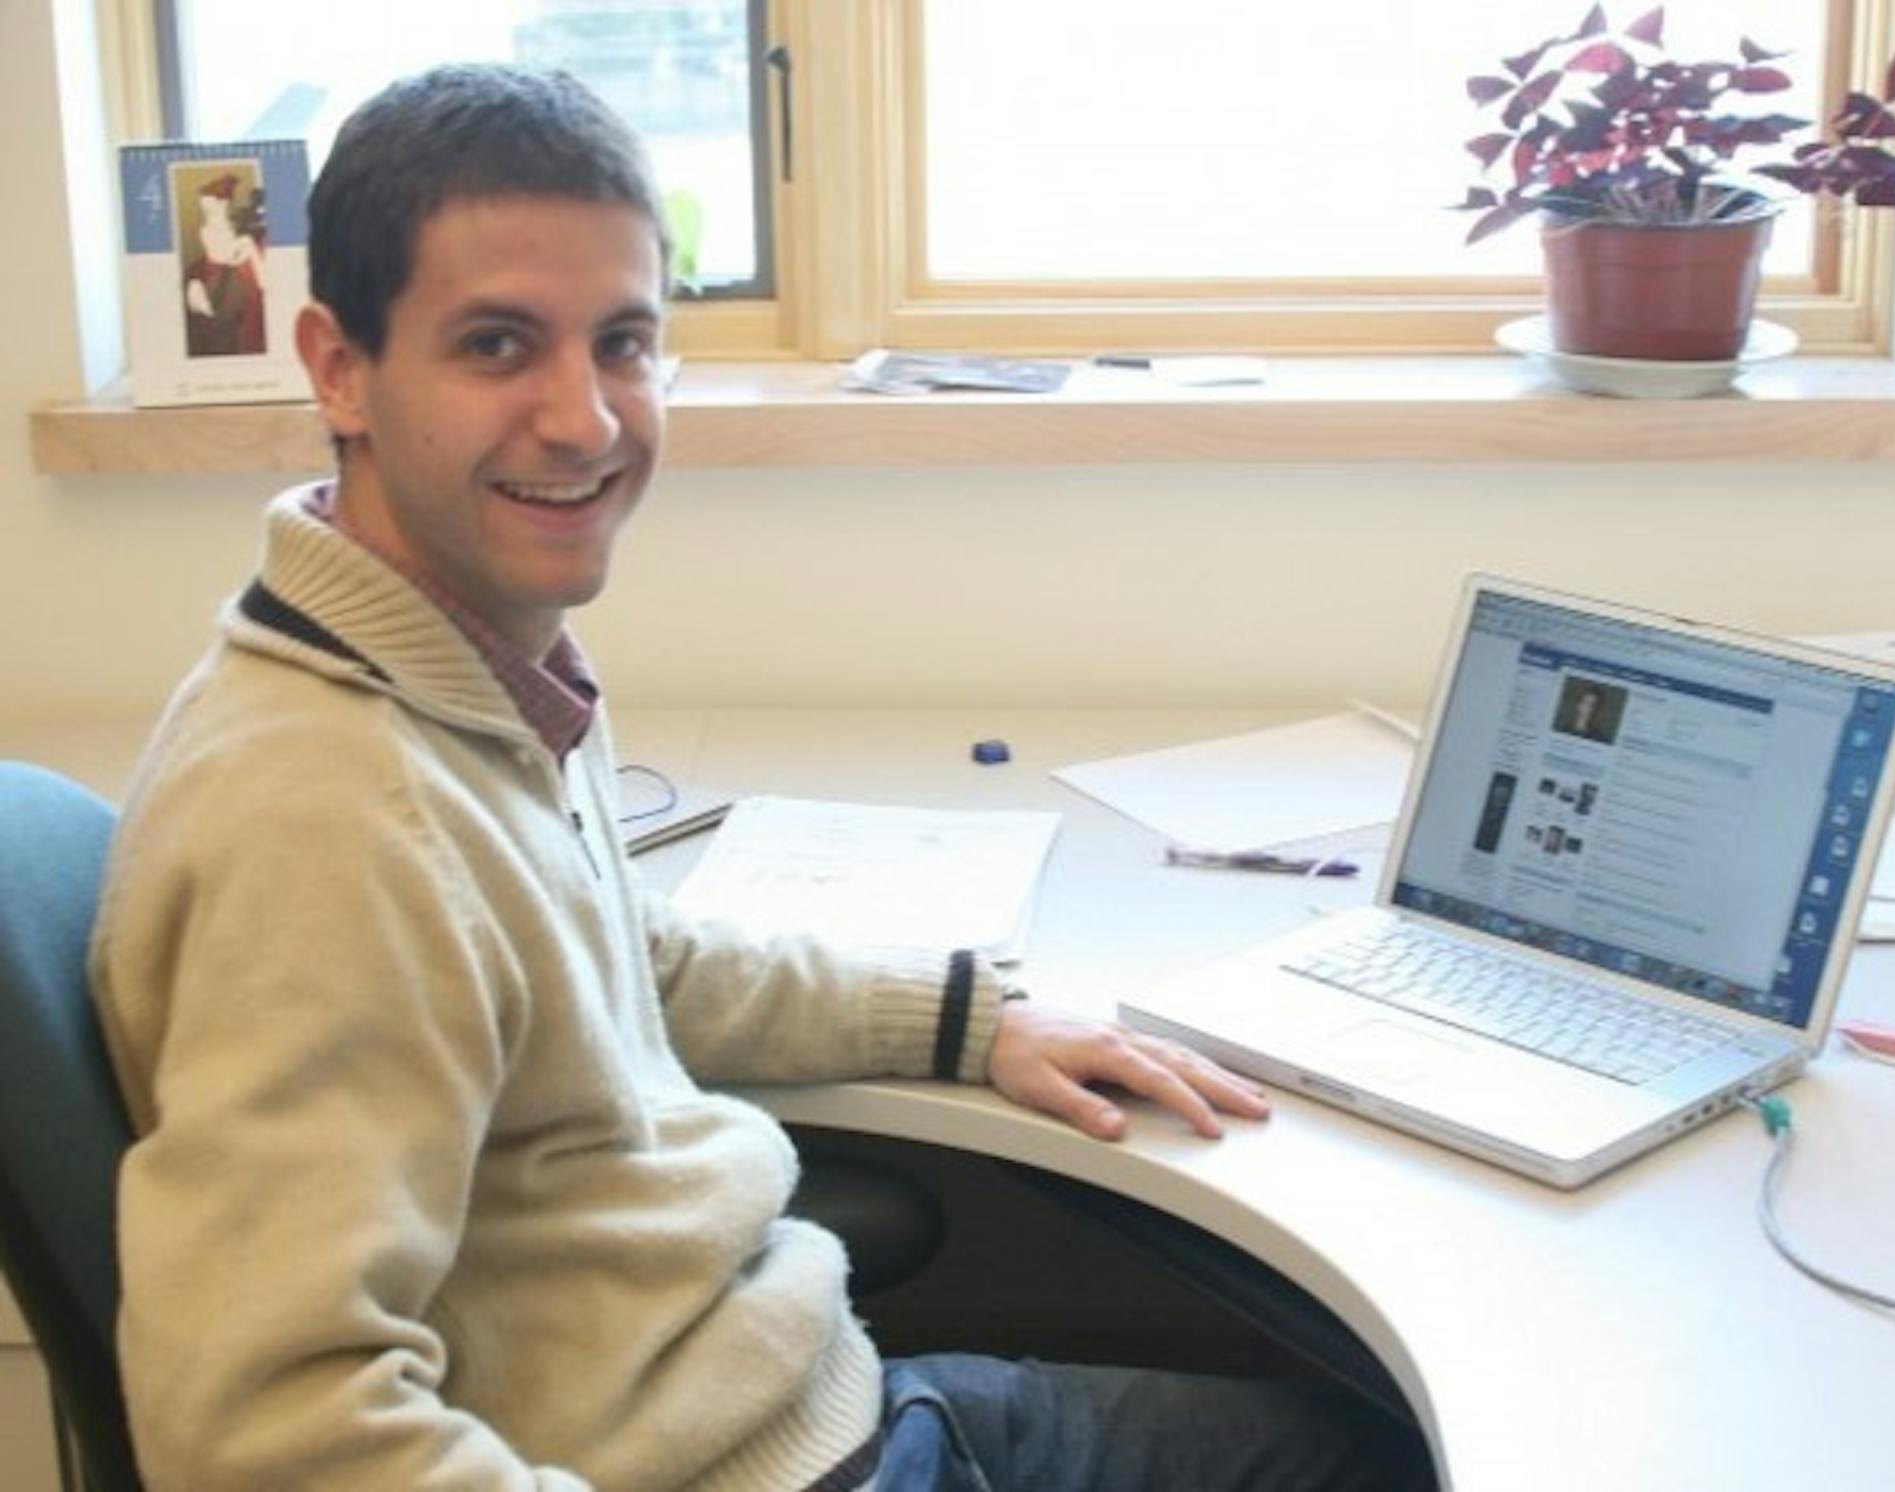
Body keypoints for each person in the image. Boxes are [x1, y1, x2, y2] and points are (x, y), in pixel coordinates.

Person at [91, 65, 1425, 1492]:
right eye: (496, 346)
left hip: (778, 1404)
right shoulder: (327, 829)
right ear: (339, 366)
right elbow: (265, 1436)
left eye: (622, 343)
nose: (587, 419)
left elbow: (620, 968)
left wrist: (978, 1019)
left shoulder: (449, 668)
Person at [182, 171, 266, 356]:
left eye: (213, 205)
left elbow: (237, 256)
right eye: (206, 206)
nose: (208, 210)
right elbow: (223, 256)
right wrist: (242, 246)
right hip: (217, 280)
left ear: (224, 204)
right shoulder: (206, 230)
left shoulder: (232, 226)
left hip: (235, 281)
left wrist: (246, 246)